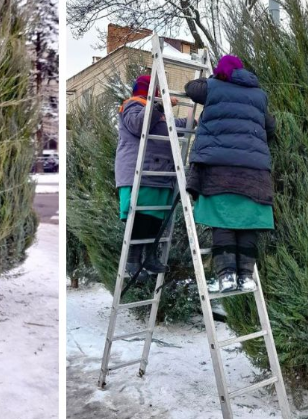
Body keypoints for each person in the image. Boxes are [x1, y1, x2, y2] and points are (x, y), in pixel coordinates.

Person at [184, 55, 276, 293]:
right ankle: (246, 277)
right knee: (248, 224)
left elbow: (190, 88)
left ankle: (226, 276)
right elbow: (271, 128)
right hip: (255, 172)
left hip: (220, 168)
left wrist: (213, 78)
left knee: (221, 221)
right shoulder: (259, 95)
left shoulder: (213, 87)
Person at [115, 74, 188, 281]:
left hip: (159, 173)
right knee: (140, 218)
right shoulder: (132, 105)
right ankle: (133, 261)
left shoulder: (156, 112)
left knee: (155, 218)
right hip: (139, 173)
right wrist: (159, 106)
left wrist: (196, 121)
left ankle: (150, 257)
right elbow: (139, 124)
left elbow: (172, 127)